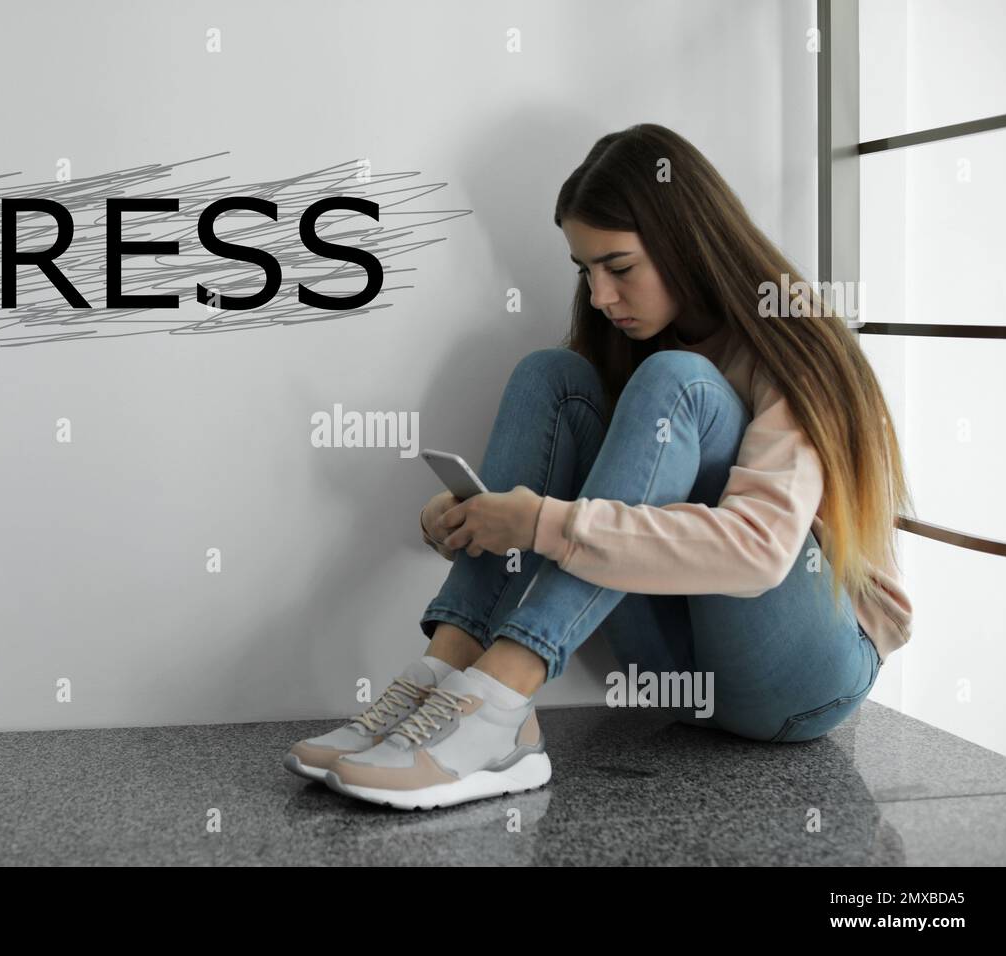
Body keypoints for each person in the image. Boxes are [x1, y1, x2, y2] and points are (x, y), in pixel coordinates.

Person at [285, 122, 915, 811]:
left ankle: (500, 701)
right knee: (550, 375)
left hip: (803, 680)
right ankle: (448, 674)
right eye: (586, 272)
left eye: (619, 268)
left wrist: (541, 524)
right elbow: (608, 503)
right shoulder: (627, 344)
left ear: (686, 241)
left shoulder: (789, 337)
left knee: (680, 382)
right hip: (675, 678)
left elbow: (761, 555)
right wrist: (480, 519)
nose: (602, 296)